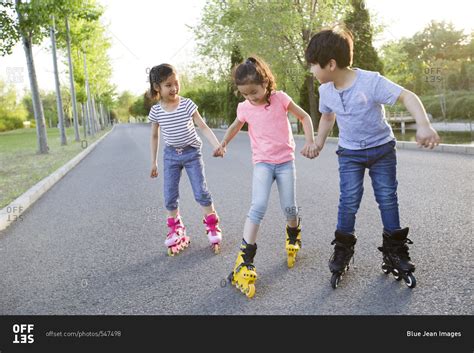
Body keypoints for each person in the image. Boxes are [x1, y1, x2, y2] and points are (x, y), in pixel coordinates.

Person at [305, 28, 441, 289]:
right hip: (349, 153)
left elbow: (407, 96)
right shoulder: (326, 90)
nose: (311, 71)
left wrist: (423, 124)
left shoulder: (371, 81)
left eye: (313, 65)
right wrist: (317, 143)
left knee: (387, 198)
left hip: (381, 150)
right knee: (349, 200)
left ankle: (395, 251)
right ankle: (343, 250)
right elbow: (327, 116)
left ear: (330, 64)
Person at [214, 56, 319, 298]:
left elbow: (305, 117)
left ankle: (293, 233)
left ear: (266, 82)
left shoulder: (280, 99)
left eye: (254, 91)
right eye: (245, 93)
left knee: (289, 208)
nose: (250, 97)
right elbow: (234, 126)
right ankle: (246, 257)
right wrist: (223, 143)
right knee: (257, 206)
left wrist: (310, 141)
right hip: (262, 163)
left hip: (284, 162)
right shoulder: (245, 107)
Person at [148, 64, 223, 256]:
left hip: (191, 154)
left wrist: (217, 145)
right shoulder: (156, 111)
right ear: (158, 87)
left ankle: (212, 225)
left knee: (201, 191)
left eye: (176, 83)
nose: (174, 88)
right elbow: (155, 136)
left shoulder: (187, 104)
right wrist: (154, 162)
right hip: (171, 155)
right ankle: (176, 228)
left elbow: (203, 127)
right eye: (168, 85)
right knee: (170, 194)